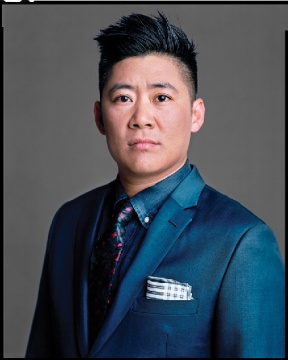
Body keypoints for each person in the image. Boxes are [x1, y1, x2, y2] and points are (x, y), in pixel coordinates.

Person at [25, 12, 285, 358]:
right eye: (123, 98)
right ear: (100, 117)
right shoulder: (69, 222)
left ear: (196, 114)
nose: (141, 118)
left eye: (161, 98)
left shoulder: (241, 242)